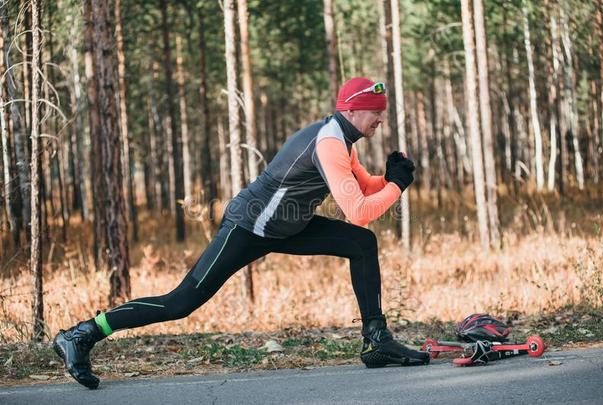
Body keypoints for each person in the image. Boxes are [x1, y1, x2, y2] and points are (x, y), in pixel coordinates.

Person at [53, 77, 430, 390]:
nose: (381, 118)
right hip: (248, 226)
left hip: (287, 227)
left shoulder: (342, 140)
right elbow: (360, 212)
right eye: (375, 111)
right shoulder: (329, 143)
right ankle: (82, 334)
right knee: (180, 303)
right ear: (351, 109)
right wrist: (396, 185)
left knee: (361, 245)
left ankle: (376, 341)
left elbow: (366, 190)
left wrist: (393, 178)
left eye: (382, 111)